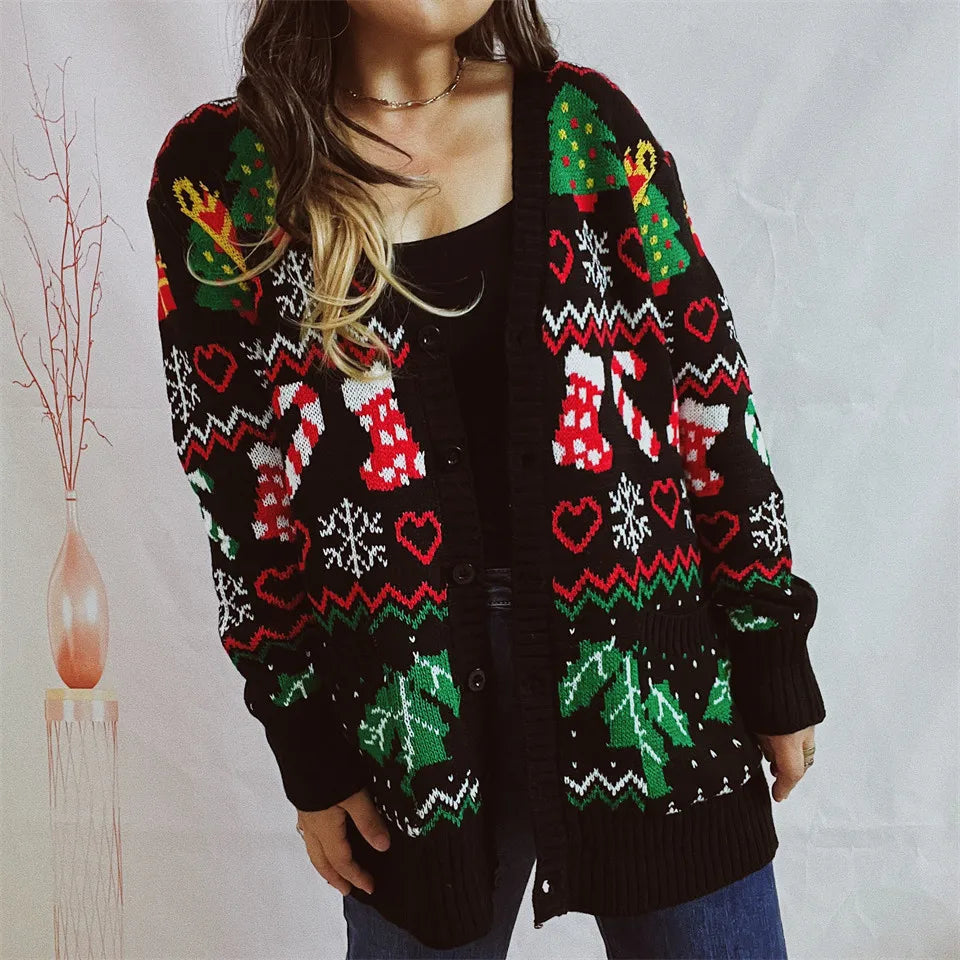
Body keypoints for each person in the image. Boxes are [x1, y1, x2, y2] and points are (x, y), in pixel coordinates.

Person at [145, 1, 827, 957]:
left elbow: (710, 397)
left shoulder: (587, 129)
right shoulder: (224, 172)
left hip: (654, 682)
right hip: (408, 725)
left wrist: (769, 644)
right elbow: (235, 485)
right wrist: (306, 744)